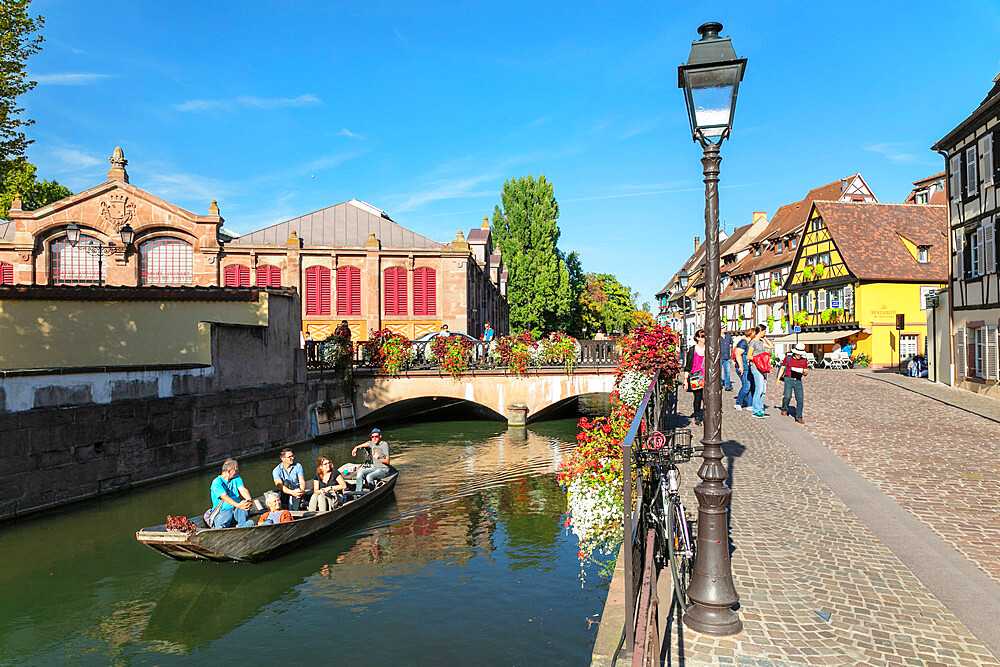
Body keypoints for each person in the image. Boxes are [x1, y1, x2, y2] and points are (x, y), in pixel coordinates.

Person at [208, 459, 255, 528]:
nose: (237, 472)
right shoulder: (216, 482)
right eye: (236, 470)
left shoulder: (237, 478)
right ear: (229, 471)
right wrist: (238, 505)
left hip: (235, 510)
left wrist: (249, 500)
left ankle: (242, 527)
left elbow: (242, 489)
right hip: (223, 512)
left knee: (244, 503)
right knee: (222, 525)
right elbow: (224, 496)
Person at [777, 343, 809, 423]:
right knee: (787, 396)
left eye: (801, 354)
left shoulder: (804, 360)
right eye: (798, 354)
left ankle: (798, 417)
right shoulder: (788, 358)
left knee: (800, 399)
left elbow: (806, 372)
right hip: (788, 379)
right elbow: (782, 368)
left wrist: (804, 372)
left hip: (798, 380)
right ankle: (784, 408)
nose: (799, 355)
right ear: (795, 352)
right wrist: (778, 379)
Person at [352, 428, 391, 492]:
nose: (374, 438)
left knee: (369, 477)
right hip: (375, 468)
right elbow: (366, 444)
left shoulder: (384, 445)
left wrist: (378, 459)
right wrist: (356, 448)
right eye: (372, 437)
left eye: (376, 436)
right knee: (360, 473)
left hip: (383, 469)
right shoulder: (372, 443)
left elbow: (387, 461)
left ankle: (372, 492)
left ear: (380, 436)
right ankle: (358, 493)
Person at [682, 329, 707, 426]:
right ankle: (697, 417)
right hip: (696, 377)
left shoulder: (708, 349)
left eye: (704, 336)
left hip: (707, 377)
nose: (704, 338)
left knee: (707, 399)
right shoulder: (692, 349)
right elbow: (688, 366)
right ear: (697, 338)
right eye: (702, 336)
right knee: (698, 398)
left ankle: (707, 416)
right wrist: (685, 381)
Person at [748, 328, 769, 419]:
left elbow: (771, 346)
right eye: (764, 332)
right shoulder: (753, 342)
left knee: (763, 390)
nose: (765, 333)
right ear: (760, 331)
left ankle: (761, 409)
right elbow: (749, 356)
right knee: (759, 389)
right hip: (756, 367)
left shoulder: (760, 342)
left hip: (763, 367)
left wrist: (765, 338)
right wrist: (759, 359)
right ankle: (755, 410)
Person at [733, 328, 753, 411]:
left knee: (751, 386)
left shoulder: (751, 343)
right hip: (743, 367)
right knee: (746, 385)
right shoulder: (744, 342)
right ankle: (738, 403)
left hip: (749, 367)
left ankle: (750, 404)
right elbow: (737, 354)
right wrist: (741, 366)